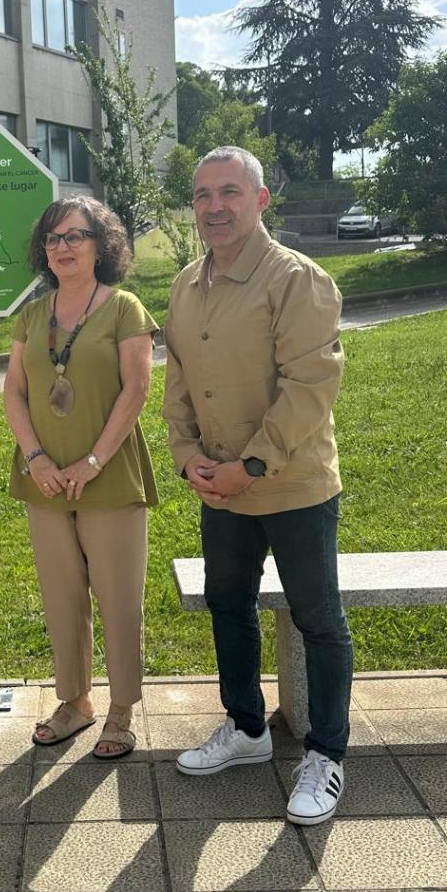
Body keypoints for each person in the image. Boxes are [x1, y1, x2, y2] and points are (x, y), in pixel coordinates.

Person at [163, 147, 352, 824]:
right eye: (203, 195)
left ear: (260, 200)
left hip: (292, 485)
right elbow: (178, 382)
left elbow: (311, 389)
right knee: (229, 605)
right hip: (219, 487)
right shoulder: (186, 285)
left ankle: (326, 754)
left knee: (318, 620)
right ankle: (246, 730)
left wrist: (251, 467)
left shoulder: (298, 281)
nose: (214, 206)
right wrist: (189, 459)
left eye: (230, 193)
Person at [4, 197, 158, 759]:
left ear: (102, 245)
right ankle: (74, 701)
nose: (62, 247)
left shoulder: (125, 310)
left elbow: (136, 391)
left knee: (118, 599)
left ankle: (121, 710)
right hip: (44, 481)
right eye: (52, 238)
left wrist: (90, 462)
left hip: (109, 475)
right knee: (61, 597)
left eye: (75, 236)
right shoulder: (31, 315)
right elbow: (14, 393)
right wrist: (37, 459)